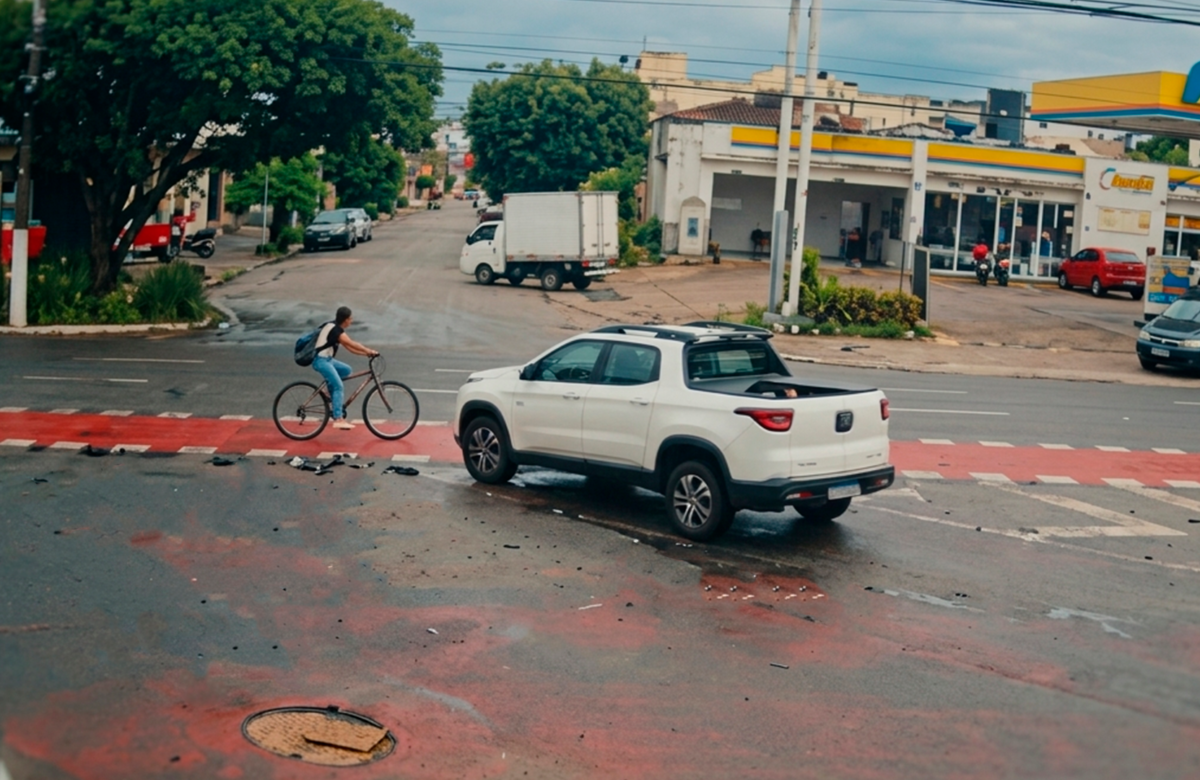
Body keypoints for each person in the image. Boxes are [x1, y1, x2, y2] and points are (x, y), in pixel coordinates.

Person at [311, 306, 378, 430]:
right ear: (345, 320)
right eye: (350, 318)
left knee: (346, 370)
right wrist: (369, 350)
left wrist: (367, 354)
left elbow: (350, 348)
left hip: (328, 360)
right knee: (338, 386)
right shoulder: (336, 330)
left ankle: (329, 390)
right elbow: (351, 343)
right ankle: (338, 419)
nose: (351, 321)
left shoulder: (333, 326)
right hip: (321, 361)